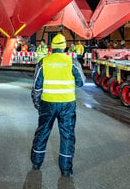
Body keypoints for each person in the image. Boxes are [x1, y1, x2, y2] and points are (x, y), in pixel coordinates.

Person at [30, 33, 86, 177]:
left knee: (42, 132)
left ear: (52, 47)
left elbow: (36, 87)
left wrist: (37, 104)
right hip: (67, 104)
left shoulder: (44, 62)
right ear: (64, 46)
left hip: (47, 104)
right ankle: (66, 169)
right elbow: (81, 82)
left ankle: (36, 163)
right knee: (67, 135)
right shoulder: (71, 61)